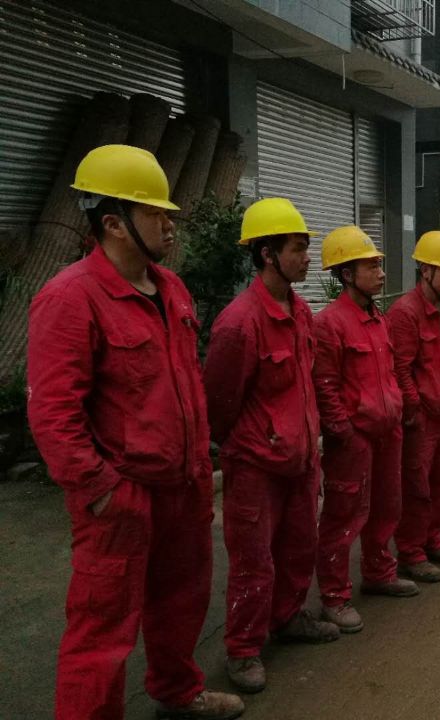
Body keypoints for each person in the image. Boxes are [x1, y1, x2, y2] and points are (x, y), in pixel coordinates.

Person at [27, 144, 243, 719]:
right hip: (123, 496)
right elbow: (53, 413)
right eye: (156, 214)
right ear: (114, 223)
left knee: (182, 601)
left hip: (184, 486)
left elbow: (185, 386)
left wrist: (200, 466)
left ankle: (177, 692)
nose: (170, 225)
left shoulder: (171, 289)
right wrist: (101, 490)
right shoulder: (70, 298)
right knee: (101, 631)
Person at [203, 198, 338, 694]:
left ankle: (288, 617)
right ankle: (242, 650)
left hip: (299, 459)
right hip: (256, 466)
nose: (307, 257)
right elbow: (219, 404)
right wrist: (256, 441)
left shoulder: (300, 312)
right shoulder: (239, 323)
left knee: (300, 546)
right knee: (253, 561)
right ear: (267, 254)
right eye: (298, 248)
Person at [312, 226, 418, 634]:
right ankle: (334, 597)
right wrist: (343, 431)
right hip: (354, 437)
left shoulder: (378, 319)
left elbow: (389, 372)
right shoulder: (330, 324)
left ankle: (379, 573)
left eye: (379, 265)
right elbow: (325, 384)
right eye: (371, 266)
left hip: (387, 430)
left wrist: (398, 411)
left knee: (387, 507)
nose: (381, 272)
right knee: (344, 517)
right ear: (346, 274)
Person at [389, 231, 440, 582]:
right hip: (424, 418)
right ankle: (411, 552)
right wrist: (414, 410)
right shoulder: (405, 313)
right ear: (425, 270)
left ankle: (432, 540)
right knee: (417, 488)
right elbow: (401, 368)